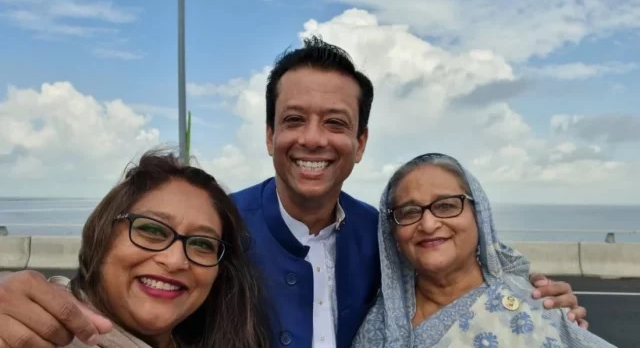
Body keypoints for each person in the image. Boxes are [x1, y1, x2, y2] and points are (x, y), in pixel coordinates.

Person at [0, 37, 585, 348]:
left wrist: (541, 306)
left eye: (335, 124)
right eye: (294, 119)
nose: (313, 140)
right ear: (268, 134)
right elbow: (119, 307)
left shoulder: (389, 238)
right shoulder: (216, 234)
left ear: (359, 143)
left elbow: (456, 291)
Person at [2, 149, 272, 348]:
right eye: (152, 230)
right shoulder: (41, 334)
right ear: (103, 238)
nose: (175, 259)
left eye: (202, 244)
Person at [352, 153, 615, 347]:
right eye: (409, 212)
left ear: (479, 215)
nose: (429, 224)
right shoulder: (379, 326)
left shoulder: (532, 309)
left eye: (446, 205)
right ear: (393, 233)